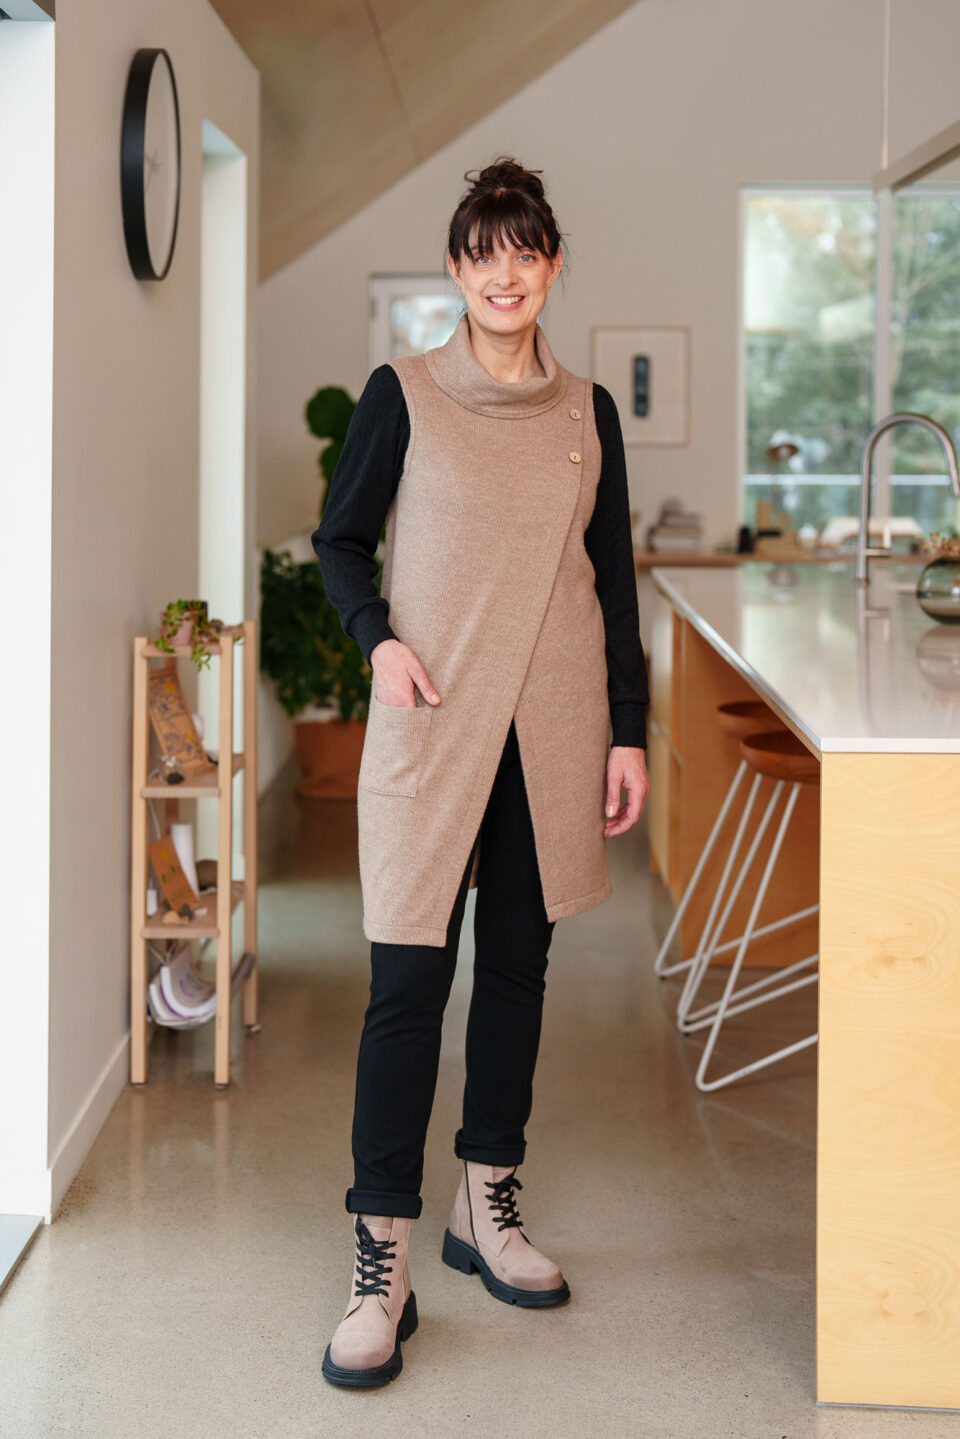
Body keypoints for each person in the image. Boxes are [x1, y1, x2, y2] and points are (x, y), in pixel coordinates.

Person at [312, 156, 650, 1389]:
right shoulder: (403, 392)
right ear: (458, 269)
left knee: (516, 971)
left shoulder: (588, 413)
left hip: (552, 728)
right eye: (483, 253)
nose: (506, 274)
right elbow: (341, 539)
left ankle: (485, 1201)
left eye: (526, 251)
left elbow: (614, 582)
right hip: (434, 722)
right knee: (407, 982)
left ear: (552, 264)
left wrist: (627, 730)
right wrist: (377, 640)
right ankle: (381, 1259)